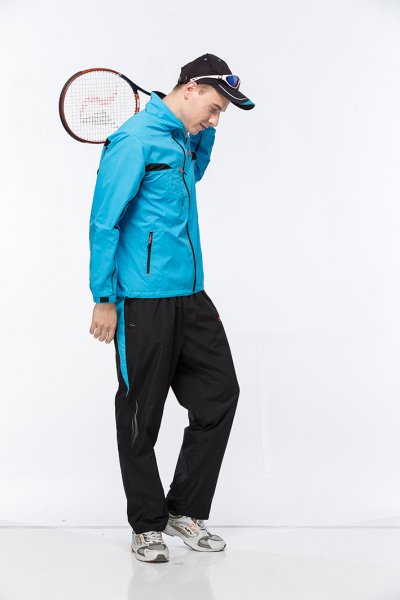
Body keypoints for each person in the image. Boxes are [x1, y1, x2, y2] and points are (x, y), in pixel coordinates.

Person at [88, 53, 255, 563]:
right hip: (142, 301)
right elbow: (104, 222)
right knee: (142, 414)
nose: (216, 118)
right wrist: (104, 298)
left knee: (219, 396)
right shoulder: (133, 141)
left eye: (222, 113)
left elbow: (192, 175)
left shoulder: (181, 140)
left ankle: (184, 511)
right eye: (214, 107)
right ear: (189, 88)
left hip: (190, 295)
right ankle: (146, 525)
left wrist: (202, 132)